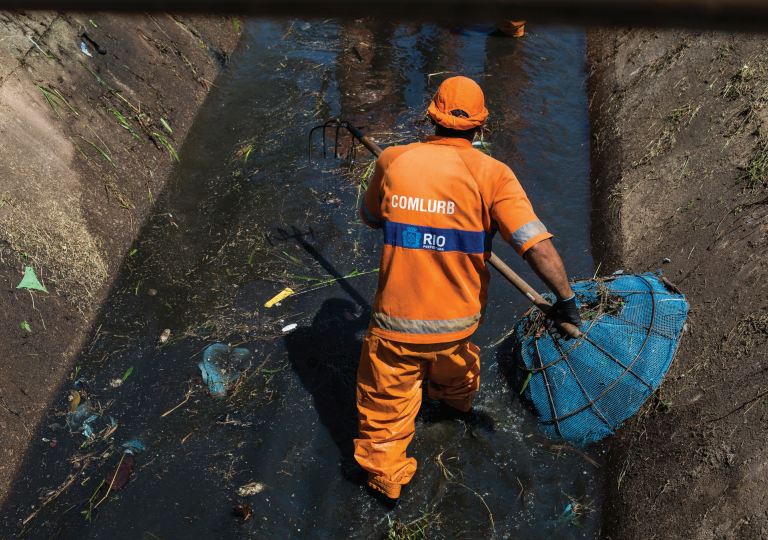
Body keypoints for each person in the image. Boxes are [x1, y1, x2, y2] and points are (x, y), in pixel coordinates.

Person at [354, 76, 581, 504]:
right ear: (480, 128)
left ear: (431, 117)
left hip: (396, 330)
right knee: (457, 373)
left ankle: (387, 481)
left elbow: (370, 217)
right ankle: (453, 407)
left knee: (385, 408)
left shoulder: (393, 160)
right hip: (457, 326)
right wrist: (567, 302)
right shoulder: (494, 174)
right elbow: (537, 247)